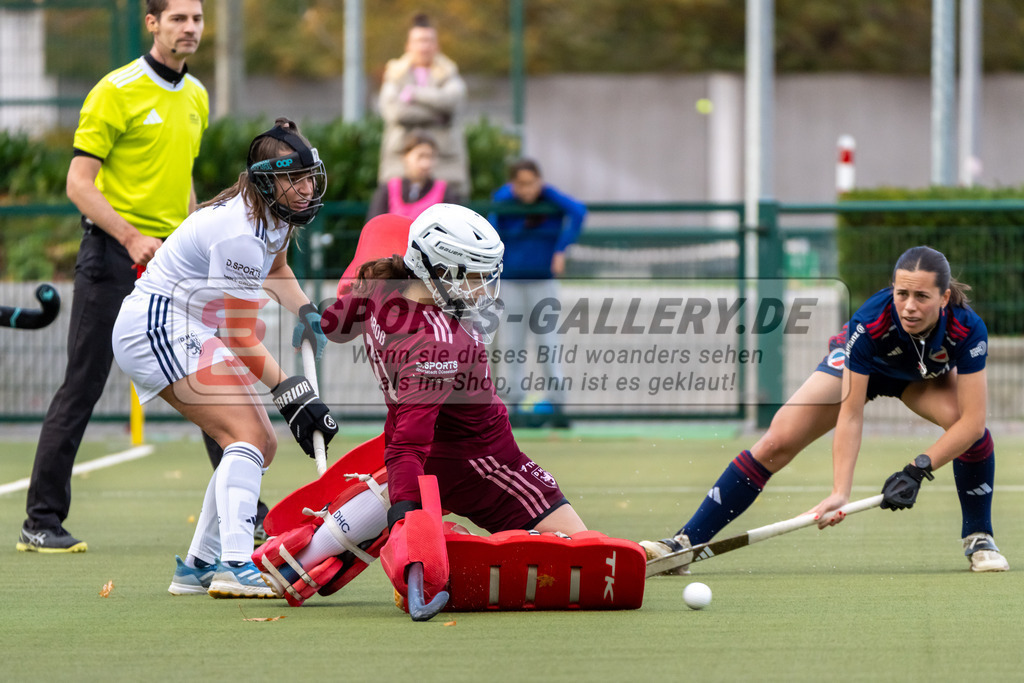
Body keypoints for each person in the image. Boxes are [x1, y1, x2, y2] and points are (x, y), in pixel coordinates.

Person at [642, 246, 1009, 574]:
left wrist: (917, 469)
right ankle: (684, 544)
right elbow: (850, 413)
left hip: (919, 380)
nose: (910, 306)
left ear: (944, 297)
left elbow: (974, 423)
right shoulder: (871, 321)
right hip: (864, 369)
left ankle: (979, 537)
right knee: (777, 441)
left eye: (922, 296)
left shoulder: (967, 328)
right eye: (902, 294)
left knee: (969, 436)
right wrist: (840, 491)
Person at [289, 205, 587, 606]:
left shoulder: (384, 283)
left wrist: (317, 321)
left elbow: (343, 322)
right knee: (584, 551)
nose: (484, 288)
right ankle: (444, 550)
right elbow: (409, 446)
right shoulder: (436, 344)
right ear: (440, 272)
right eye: (476, 275)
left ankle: (295, 562)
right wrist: (407, 520)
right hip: (484, 462)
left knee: (401, 487)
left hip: (430, 447)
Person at [17, 0, 215, 553]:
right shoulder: (115, 89)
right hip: (111, 257)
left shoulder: (197, 96)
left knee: (208, 378)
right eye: (178, 18)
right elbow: (79, 184)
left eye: (197, 19)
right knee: (83, 384)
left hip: (172, 263)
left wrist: (192, 238)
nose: (190, 28)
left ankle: (245, 512)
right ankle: (41, 520)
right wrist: (131, 237)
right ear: (152, 24)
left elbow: (183, 181)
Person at [111, 118, 339, 598]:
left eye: (308, 177)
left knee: (262, 444)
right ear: (267, 180)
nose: (304, 189)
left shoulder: (273, 217)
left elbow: (276, 267)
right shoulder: (239, 232)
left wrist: (305, 310)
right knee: (246, 435)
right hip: (156, 324)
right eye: (293, 179)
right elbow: (239, 335)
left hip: (187, 325)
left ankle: (196, 566)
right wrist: (292, 393)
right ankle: (234, 565)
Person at [489, 158, 586, 427]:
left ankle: (558, 407)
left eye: (532, 183)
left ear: (539, 181)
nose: (527, 189)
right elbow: (491, 226)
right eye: (521, 184)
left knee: (548, 346)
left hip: (543, 282)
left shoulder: (550, 199)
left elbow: (578, 212)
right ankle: (516, 408)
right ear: (513, 184)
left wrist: (561, 249)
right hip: (511, 283)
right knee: (513, 347)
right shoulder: (504, 200)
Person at [378, 13, 469, 197]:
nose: (424, 46)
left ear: (437, 45)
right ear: (408, 45)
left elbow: (452, 101)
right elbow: (395, 113)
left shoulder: (450, 73)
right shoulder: (395, 74)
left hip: (445, 165)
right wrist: (438, 115)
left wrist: (414, 93)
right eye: (419, 40)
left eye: (428, 40)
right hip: (398, 165)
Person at [366, 131, 464, 222]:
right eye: (421, 156)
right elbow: (374, 225)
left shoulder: (444, 191)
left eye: (431, 157)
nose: (426, 164)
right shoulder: (388, 189)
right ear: (405, 157)